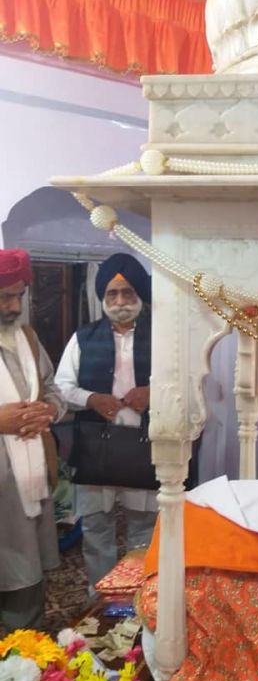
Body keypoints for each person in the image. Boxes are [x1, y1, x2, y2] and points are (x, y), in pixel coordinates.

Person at [56, 253, 157, 592]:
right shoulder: (83, 338)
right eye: (112, 294)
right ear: (102, 298)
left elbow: (186, 384)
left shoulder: (163, 338)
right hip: (96, 448)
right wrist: (91, 399)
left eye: (127, 293)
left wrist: (152, 393)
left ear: (140, 295)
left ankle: (138, 605)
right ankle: (99, 602)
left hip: (144, 446)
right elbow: (60, 388)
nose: (120, 301)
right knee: (97, 529)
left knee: (143, 529)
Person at [0, 248, 66, 630]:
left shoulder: (26, 335)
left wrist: (49, 411)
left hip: (28, 486)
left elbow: (53, 387)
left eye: (18, 296)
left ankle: (29, 668)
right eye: (3, 297)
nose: (12, 306)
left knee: (28, 589)